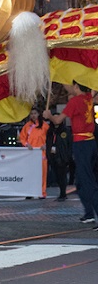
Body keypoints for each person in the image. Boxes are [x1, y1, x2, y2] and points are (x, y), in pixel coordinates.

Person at [44, 82, 98, 225]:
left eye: (68, 84)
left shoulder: (75, 101)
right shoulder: (88, 98)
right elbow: (93, 92)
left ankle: (95, 212)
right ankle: (89, 213)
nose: (65, 86)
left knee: (87, 181)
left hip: (81, 144)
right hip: (90, 143)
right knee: (80, 182)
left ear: (76, 87)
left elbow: (57, 120)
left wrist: (49, 115)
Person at [18, 108, 49, 197]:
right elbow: (22, 138)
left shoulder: (45, 125)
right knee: (30, 173)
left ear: (38, 114)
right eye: (31, 114)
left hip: (41, 153)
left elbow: (50, 137)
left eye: (35, 113)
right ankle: (30, 192)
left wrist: (46, 145)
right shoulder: (27, 126)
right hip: (30, 153)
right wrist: (27, 144)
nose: (33, 115)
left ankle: (42, 192)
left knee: (42, 174)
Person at [47, 114, 73, 201]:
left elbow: (70, 144)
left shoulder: (66, 130)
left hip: (62, 157)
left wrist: (68, 156)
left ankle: (63, 194)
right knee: (57, 176)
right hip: (53, 156)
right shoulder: (50, 131)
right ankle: (61, 193)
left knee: (62, 176)